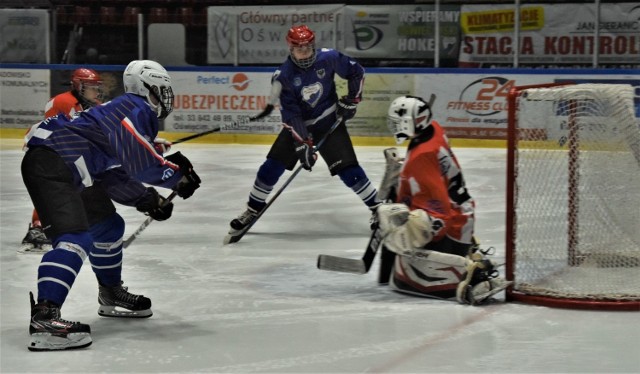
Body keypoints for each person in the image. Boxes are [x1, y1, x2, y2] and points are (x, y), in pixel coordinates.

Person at [22, 60, 201, 351]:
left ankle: (110, 293)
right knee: (75, 237)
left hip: (65, 161)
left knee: (108, 225)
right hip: (54, 163)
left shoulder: (120, 111)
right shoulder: (134, 107)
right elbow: (140, 163)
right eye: (162, 90)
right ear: (149, 88)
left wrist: (145, 199)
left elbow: (112, 172)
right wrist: (177, 176)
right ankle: (45, 317)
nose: (166, 97)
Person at [229, 24, 381, 234]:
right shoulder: (282, 77)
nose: (304, 51)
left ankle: (377, 208)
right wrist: (303, 144)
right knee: (270, 168)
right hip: (299, 127)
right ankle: (252, 209)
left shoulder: (329, 58)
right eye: (299, 48)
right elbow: (291, 115)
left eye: (308, 47)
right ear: (291, 48)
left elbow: (356, 72)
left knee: (349, 170)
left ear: (313, 45)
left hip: (329, 121)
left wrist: (352, 99)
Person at [375, 95, 510, 305]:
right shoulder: (434, 130)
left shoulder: (420, 158)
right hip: (464, 216)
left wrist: (406, 229)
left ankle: (470, 275)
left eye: (397, 121)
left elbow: (441, 216)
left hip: (454, 227)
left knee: (400, 261)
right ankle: (469, 254)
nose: (393, 126)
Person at [19, 68, 104, 254]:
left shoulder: (89, 104)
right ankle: (37, 227)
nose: (96, 92)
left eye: (96, 87)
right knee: (54, 189)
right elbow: (58, 133)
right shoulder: (63, 102)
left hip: (66, 151)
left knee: (68, 189)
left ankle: (65, 224)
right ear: (78, 86)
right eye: (91, 87)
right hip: (49, 151)